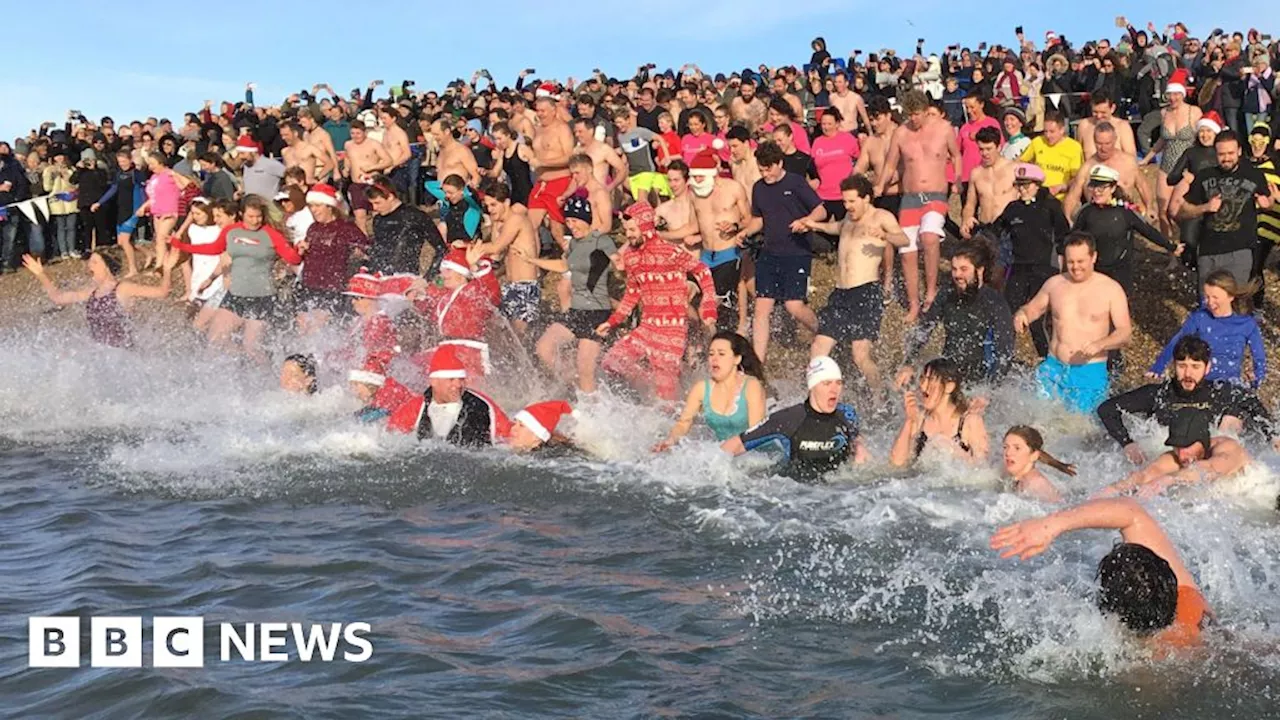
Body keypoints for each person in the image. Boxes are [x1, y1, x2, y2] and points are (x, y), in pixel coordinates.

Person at [991, 497, 1211, 650]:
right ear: (1168, 577)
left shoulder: (1144, 672)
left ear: (1112, 609)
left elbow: (1129, 509)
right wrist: (1050, 525)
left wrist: (1052, 525)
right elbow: (1131, 512)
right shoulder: (1188, 596)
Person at [596, 201, 717, 402]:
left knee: (667, 395)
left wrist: (709, 305)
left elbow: (702, 271)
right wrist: (612, 322)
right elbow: (632, 293)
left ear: (645, 227)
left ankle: (677, 412)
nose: (628, 235)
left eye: (633, 230)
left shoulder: (670, 252)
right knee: (612, 362)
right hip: (647, 327)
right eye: (626, 230)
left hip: (673, 329)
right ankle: (652, 393)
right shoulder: (631, 257)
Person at [805, 174, 909, 396]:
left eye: (852, 201)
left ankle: (881, 399)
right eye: (844, 201)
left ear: (867, 198)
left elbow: (904, 239)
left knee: (860, 356)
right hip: (840, 294)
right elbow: (836, 228)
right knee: (818, 347)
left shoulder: (881, 216)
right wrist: (814, 225)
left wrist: (886, 235)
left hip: (866, 292)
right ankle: (813, 398)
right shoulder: (849, 219)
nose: (847, 206)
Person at [1099, 336, 1277, 463]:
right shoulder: (1158, 394)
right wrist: (1127, 443)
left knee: (1233, 419)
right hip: (1165, 460)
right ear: (1173, 366)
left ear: (1207, 368)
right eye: (1182, 366)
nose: (1188, 373)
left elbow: (1253, 404)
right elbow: (1107, 410)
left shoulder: (1219, 392)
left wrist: (1273, 437)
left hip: (1208, 466)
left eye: (1195, 367)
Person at [169, 195, 303, 364]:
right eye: (250, 217)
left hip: (261, 298)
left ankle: (270, 375)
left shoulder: (271, 234)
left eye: (258, 217)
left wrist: (300, 249)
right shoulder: (231, 231)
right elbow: (213, 248)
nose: (255, 221)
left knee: (251, 348)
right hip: (234, 295)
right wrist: (181, 246)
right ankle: (225, 376)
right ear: (242, 214)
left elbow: (293, 259)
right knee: (215, 341)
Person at [1014, 232, 1131, 414]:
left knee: (1080, 430)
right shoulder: (1055, 284)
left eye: (1080, 261)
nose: (1075, 267)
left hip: (1089, 372)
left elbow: (1125, 333)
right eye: (1070, 262)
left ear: (1094, 257)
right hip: (1053, 370)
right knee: (1040, 422)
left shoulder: (1111, 290)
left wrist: (1100, 344)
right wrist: (1022, 315)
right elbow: (1033, 309)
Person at [730, 141, 826, 363]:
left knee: (794, 306)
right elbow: (758, 220)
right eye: (761, 170)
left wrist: (807, 221)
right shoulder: (758, 187)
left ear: (779, 163)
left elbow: (821, 210)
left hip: (796, 252)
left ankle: (824, 332)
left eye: (768, 169)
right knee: (762, 307)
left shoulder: (796, 182)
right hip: (769, 253)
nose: (765, 174)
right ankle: (758, 363)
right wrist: (745, 232)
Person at [876, 90, 962, 322]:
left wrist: (957, 178)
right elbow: (890, 164)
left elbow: (956, 155)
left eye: (917, 114)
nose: (913, 119)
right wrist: (879, 185)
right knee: (907, 252)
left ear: (926, 111)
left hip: (935, 193)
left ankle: (932, 291)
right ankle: (914, 303)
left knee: (930, 237)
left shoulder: (943, 128)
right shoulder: (901, 133)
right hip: (911, 197)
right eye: (909, 115)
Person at [720, 355, 869, 481]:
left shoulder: (847, 414)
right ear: (812, 386)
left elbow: (856, 438)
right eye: (826, 383)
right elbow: (737, 444)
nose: (834, 390)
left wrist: (860, 448)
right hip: (796, 495)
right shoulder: (789, 419)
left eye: (839, 383)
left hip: (840, 495)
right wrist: (713, 470)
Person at [524, 196, 616, 395]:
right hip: (577, 310)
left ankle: (592, 409)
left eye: (574, 220)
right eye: (568, 221)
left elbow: (615, 263)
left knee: (585, 370)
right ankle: (572, 387)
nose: (570, 225)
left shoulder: (600, 241)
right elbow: (564, 266)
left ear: (586, 219)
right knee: (544, 348)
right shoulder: (575, 243)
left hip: (596, 313)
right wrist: (532, 260)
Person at [899, 240, 1014, 387]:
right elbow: (924, 330)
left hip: (980, 381)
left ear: (979, 270)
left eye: (964, 269)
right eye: (954, 269)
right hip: (949, 375)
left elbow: (1004, 352)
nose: (957, 275)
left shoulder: (994, 302)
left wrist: (988, 392)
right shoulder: (946, 295)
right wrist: (908, 363)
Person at [1178, 130, 1277, 286]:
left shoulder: (1254, 174)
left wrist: (1268, 205)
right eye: (1221, 154)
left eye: (1230, 153)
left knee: (1236, 300)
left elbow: (1268, 202)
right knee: (1208, 301)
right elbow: (1182, 211)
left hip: (1240, 250)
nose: (1226, 158)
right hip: (1208, 250)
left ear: (1239, 151)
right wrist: (1205, 207)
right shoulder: (1205, 175)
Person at [21, 250, 178, 348]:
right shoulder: (91, 292)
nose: (89, 265)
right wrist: (40, 274)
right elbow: (58, 298)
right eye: (90, 262)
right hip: (100, 355)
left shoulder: (123, 288)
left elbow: (163, 292)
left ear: (107, 267)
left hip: (123, 356)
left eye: (95, 262)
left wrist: (168, 269)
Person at [992, 164, 1069, 358]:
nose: (1023, 190)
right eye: (1019, 186)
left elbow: (1064, 235)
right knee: (1007, 314)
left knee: (1037, 320)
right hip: (1018, 267)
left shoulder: (1050, 206)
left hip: (1044, 268)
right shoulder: (1013, 208)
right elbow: (995, 230)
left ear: (1037, 185)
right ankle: (1003, 360)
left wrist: (1061, 264)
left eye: (1027, 185)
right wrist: (975, 230)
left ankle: (1047, 360)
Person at [1071, 165, 1180, 294]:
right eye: (1094, 186)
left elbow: (1148, 231)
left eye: (1102, 187)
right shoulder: (1086, 212)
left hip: (1120, 270)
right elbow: (1073, 238)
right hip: (1094, 270)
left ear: (1112, 188)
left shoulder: (1125, 213)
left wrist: (1171, 246)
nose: (1097, 191)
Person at [1149, 270, 1265, 388]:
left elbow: (1259, 358)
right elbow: (1177, 341)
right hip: (1200, 384)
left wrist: (1256, 380)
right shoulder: (1199, 318)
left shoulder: (1246, 324)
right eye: (1207, 297)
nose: (1210, 302)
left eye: (1215, 297)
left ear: (1231, 296)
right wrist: (1158, 368)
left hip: (1229, 387)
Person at [654, 331, 768, 449]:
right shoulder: (701, 388)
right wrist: (670, 441)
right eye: (711, 354)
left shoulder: (752, 386)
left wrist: (731, 451)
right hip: (721, 457)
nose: (714, 359)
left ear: (737, 359)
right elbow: (683, 423)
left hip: (754, 454)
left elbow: (756, 433)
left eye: (721, 354)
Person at [1096, 414, 1250, 499]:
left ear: (1203, 441)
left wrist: (1168, 479)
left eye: (1188, 447)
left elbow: (1209, 469)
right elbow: (1145, 475)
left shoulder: (1228, 448)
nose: (1182, 455)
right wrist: (1111, 490)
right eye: (1177, 447)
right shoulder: (1177, 457)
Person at [408, 244, 500, 382]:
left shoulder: (473, 291)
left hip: (468, 352)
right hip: (449, 350)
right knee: (410, 366)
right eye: (443, 270)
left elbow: (491, 292)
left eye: (449, 270)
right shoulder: (446, 296)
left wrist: (475, 266)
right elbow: (431, 307)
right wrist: (416, 295)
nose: (443, 275)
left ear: (462, 273)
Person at [385, 345, 511, 445]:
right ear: (433, 382)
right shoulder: (415, 408)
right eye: (451, 379)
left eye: (461, 379)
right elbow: (390, 441)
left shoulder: (482, 406)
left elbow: (509, 440)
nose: (458, 385)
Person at [684, 150, 750, 333]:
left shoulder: (733, 188)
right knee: (680, 298)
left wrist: (735, 226)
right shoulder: (693, 194)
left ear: (711, 174)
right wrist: (662, 234)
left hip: (728, 255)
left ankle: (714, 345)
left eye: (699, 177)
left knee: (708, 309)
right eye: (693, 176)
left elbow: (749, 219)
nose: (696, 181)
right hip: (705, 256)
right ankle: (697, 336)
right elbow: (693, 225)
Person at [294, 183, 370, 333]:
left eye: (317, 205)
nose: (313, 210)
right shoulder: (313, 228)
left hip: (331, 288)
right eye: (311, 206)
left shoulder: (346, 228)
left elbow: (366, 249)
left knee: (316, 330)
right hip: (309, 286)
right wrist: (302, 250)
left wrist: (357, 254)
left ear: (330, 206)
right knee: (302, 329)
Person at [889, 358, 989, 466]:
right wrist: (909, 420)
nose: (923, 387)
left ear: (949, 387)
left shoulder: (970, 422)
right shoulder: (919, 420)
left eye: (930, 380)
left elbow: (982, 469)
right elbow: (896, 464)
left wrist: (958, 454)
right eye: (922, 379)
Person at [475, 182, 540, 338]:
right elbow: (502, 257)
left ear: (507, 202)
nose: (489, 209)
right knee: (496, 332)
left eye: (493, 205)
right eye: (487, 205)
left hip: (525, 288)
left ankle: (531, 362)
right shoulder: (503, 224)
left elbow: (496, 248)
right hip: (510, 287)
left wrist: (467, 248)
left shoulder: (516, 219)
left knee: (518, 337)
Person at [1142, 80, 1202, 237]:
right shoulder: (1164, 113)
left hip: (1186, 167)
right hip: (1167, 165)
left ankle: (1187, 241)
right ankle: (1171, 251)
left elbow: (1202, 137)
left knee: (1176, 211)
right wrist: (1147, 158)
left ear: (1182, 94)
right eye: (1170, 94)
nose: (1173, 98)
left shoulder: (1194, 112)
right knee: (1163, 212)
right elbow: (1162, 140)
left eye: (1176, 94)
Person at [1064, 122, 1155, 221]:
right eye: (1099, 144)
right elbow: (1073, 196)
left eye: (1107, 143)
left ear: (1115, 140)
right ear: (1094, 141)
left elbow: (1142, 186)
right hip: (1096, 217)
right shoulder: (1087, 167)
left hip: (1123, 216)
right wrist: (1068, 219)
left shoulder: (1128, 162)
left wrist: (1149, 207)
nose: (1103, 148)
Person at [367, 179, 445, 276]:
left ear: (390, 197)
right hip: (379, 277)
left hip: (405, 278)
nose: (374, 208)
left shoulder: (415, 216)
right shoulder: (378, 220)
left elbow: (441, 249)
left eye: (377, 203)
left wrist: (427, 278)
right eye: (372, 203)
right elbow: (378, 251)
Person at [527, 96, 576, 242]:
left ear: (553, 111)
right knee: (530, 226)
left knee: (557, 230)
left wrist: (542, 162)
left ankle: (569, 259)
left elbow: (569, 157)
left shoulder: (562, 129)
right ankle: (530, 261)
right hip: (541, 184)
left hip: (559, 181)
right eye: (538, 111)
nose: (540, 114)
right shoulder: (538, 130)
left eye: (543, 111)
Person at [960, 127, 1015, 239]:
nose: (985, 153)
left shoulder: (1014, 169)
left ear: (999, 147)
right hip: (985, 228)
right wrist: (966, 220)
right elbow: (970, 204)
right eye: (981, 149)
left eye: (989, 149)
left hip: (1008, 229)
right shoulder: (976, 173)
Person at [1019, 110, 1082, 200]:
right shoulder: (1037, 142)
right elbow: (1021, 162)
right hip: (1036, 195)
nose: (1048, 136)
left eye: (1052, 132)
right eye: (1045, 131)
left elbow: (1077, 179)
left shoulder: (1074, 147)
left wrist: (1061, 187)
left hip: (1060, 197)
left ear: (1062, 130)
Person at [343, 120, 393, 234]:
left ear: (364, 132)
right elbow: (347, 158)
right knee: (360, 216)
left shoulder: (374, 144)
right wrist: (346, 168)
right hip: (356, 183)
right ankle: (364, 241)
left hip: (372, 183)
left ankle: (380, 236)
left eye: (358, 133)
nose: (355, 136)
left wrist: (372, 167)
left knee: (377, 213)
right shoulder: (348, 145)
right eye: (353, 133)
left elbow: (388, 161)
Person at [1002, 426, 1074, 503]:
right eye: (1005, 447)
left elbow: (1060, 509)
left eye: (1017, 448)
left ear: (1034, 456)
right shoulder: (1020, 478)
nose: (1008, 453)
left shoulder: (1035, 484)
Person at [508, 400, 576, 452]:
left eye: (521, 425)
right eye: (515, 423)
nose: (513, 428)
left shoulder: (548, 458)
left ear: (536, 437)